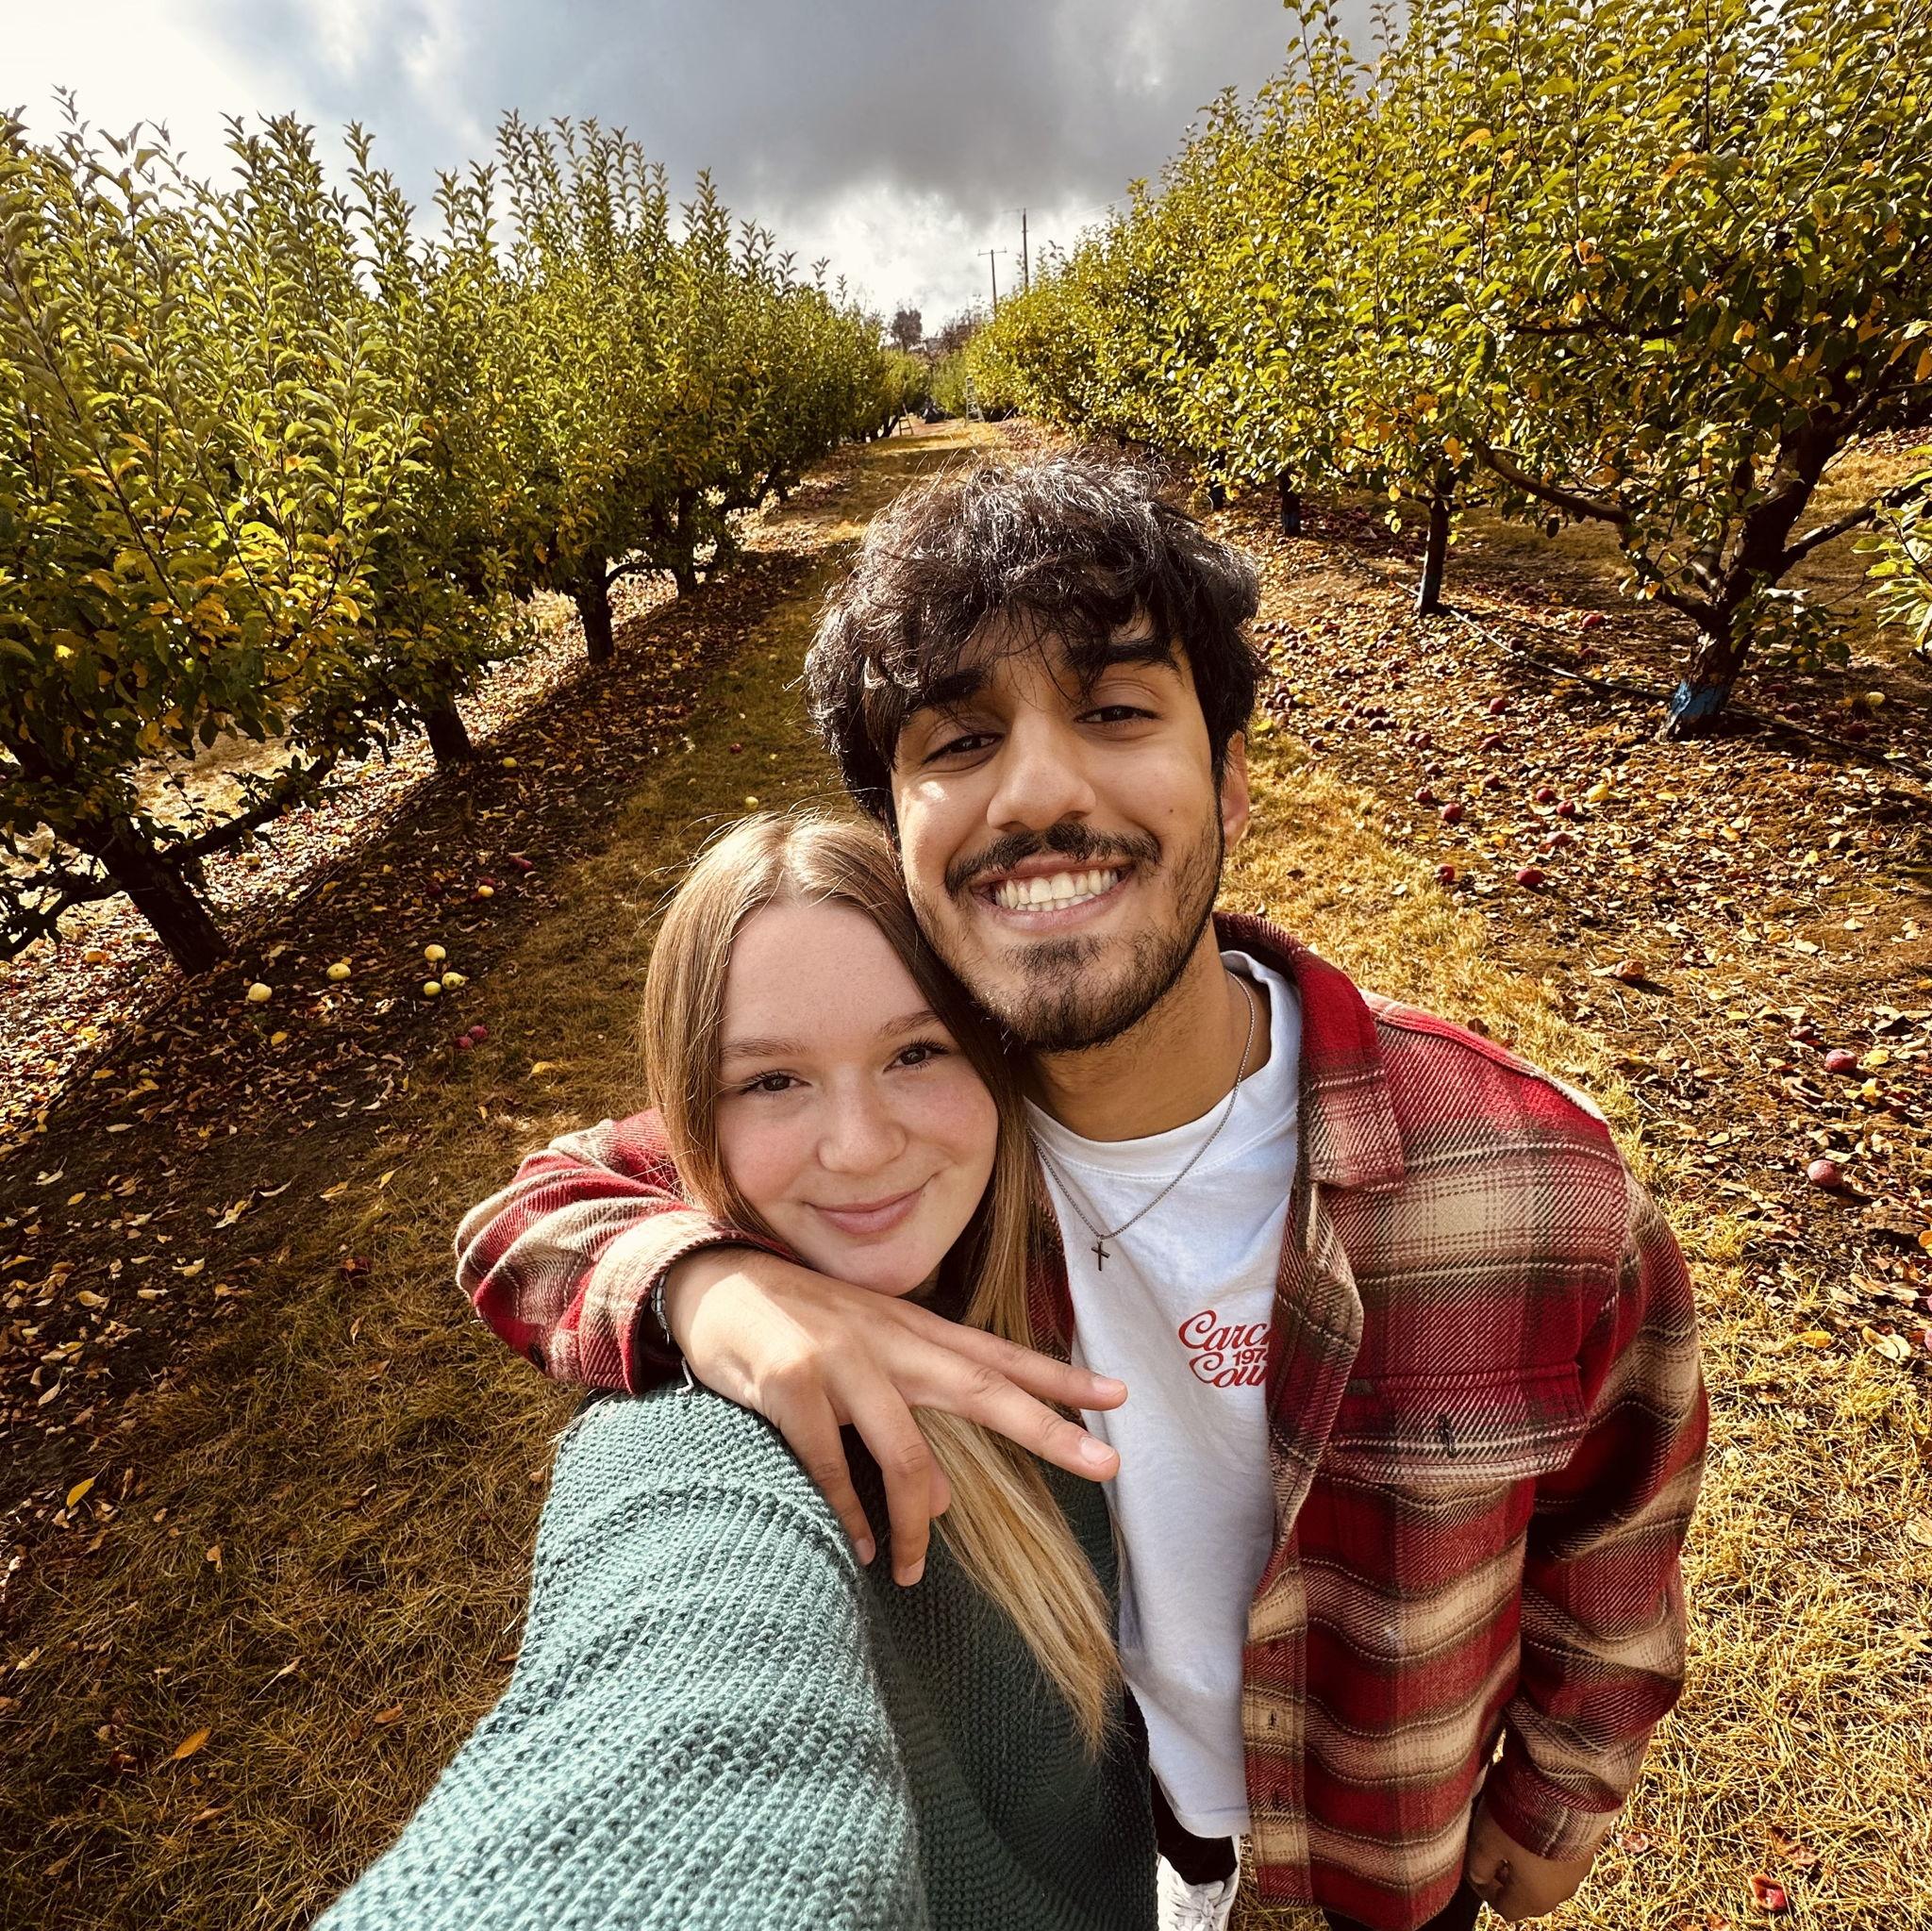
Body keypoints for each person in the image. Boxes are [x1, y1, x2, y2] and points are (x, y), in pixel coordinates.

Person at [458, 454, 1709, 1931]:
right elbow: (530, 1214)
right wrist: (715, 1287)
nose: (1042, 788)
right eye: (960, 738)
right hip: (1121, 1851)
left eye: (1116, 709)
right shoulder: (908, 1144)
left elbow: (1620, 1514)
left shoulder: (1527, 1183)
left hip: (1386, 1868)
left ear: (1232, 775)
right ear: (899, 835)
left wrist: (1561, 1782)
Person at [319, 813, 1158, 1931]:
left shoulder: (1068, 1229)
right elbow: (508, 1226)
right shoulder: (712, 1427)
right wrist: (705, 1286)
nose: (857, 1145)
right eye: (769, 1081)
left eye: (916, 1052)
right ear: (691, 1104)